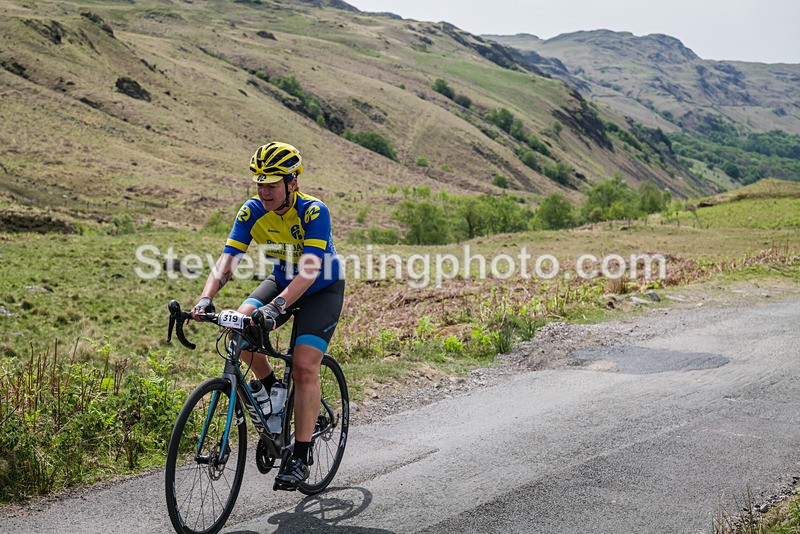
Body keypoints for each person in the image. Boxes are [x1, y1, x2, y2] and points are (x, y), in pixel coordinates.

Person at [190, 142, 344, 489]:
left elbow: (309, 271)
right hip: (282, 280)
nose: (263, 191)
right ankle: (273, 389)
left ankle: (300, 456)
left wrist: (276, 308)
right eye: (259, 183)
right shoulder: (251, 211)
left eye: (271, 184)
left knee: (305, 365)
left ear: (292, 182)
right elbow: (227, 262)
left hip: (321, 289)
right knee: (237, 329)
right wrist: (205, 299)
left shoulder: (314, 212)